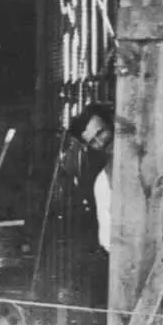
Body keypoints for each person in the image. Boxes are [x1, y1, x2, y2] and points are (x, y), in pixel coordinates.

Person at [68, 103, 114, 253]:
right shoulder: (103, 183)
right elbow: (108, 242)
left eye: (101, 133)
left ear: (111, 123)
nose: (101, 143)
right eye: (93, 141)